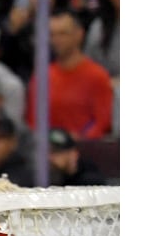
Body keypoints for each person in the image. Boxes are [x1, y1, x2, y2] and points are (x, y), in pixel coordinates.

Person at [29, 10, 114, 140]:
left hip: (85, 147)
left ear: (79, 34)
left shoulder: (97, 76)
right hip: (48, 147)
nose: (56, 40)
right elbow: (33, 121)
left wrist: (79, 141)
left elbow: (103, 122)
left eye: (63, 34)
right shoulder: (41, 77)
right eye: (52, 34)